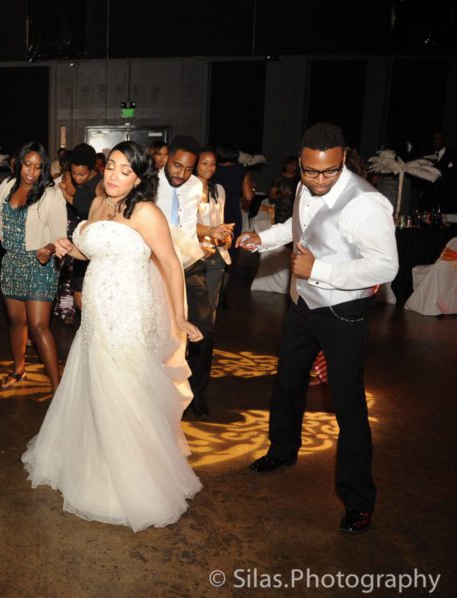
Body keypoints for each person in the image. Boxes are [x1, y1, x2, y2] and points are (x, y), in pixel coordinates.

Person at [22, 141, 203, 532]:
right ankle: (94, 464)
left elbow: (171, 264)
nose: (115, 176)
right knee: (95, 385)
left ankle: (133, 482)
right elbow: (93, 251)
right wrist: (70, 247)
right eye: (112, 167)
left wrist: (179, 316)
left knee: (124, 389)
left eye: (126, 171)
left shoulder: (146, 212)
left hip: (127, 312)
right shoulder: (98, 202)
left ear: (139, 178)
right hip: (96, 310)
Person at [236, 123, 398, 534]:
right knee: (287, 381)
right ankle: (283, 449)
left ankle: (358, 500)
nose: (320, 180)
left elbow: (385, 266)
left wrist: (319, 270)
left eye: (329, 171)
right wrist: (262, 239)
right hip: (302, 304)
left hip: (342, 312)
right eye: (311, 171)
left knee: (348, 405)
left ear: (342, 159)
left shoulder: (366, 203)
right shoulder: (304, 186)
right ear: (301, 162)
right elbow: (299, 229)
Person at [0, 142, 66, 392]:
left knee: (38, 326)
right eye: (27, 164)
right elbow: (0, 217)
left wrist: (49, 249)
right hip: (11, 262)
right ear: (19, 163)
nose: (31, 171)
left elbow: (59, 236)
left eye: (37, 167)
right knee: (16, 322)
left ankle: (57, 385)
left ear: (43, 169)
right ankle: (18, 369)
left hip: (38, 265)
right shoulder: (6, 186)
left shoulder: (51, 195)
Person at [155, 134, 214, 419]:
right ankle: (157, 392)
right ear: (167, 159)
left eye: (189, 168)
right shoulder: (149, 184)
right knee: (160, 332)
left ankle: (196, 392)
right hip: (156, 265)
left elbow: (190, 224)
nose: (181, 174)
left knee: (203, 328)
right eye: (177, 166)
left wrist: (207, 236)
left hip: (189, 264)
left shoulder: (195, 186)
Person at [58, 143, 103, 311]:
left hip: (93, 241)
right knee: (76, 288)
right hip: (78, 240)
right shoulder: (79, 180)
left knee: (85, 291)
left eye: (81, 174)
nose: (77, 178)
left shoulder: (99, 185)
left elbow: (82, 207)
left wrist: (64, 192)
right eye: (74, 173)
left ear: (92, 170)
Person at [195, 148, 234, 314]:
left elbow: (220, 221)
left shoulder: (219, 189)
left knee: (211, 303)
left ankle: (207, 330)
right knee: (194, 304)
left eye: (213, 164)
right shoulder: (186, 190)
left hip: (216, 252)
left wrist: (227, 236)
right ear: (195, 165)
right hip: (194, 253)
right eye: (204, 163)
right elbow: (184, 225)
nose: (209, 168)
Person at [268, 155, 298, 226]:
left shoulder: (299, 180)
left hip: (295, 212)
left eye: (294, 165)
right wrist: (282, 195)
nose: (291, 167)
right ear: (285, 165)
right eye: (290, 164)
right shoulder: (278, 179)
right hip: (281, 213)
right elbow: (271, 197)